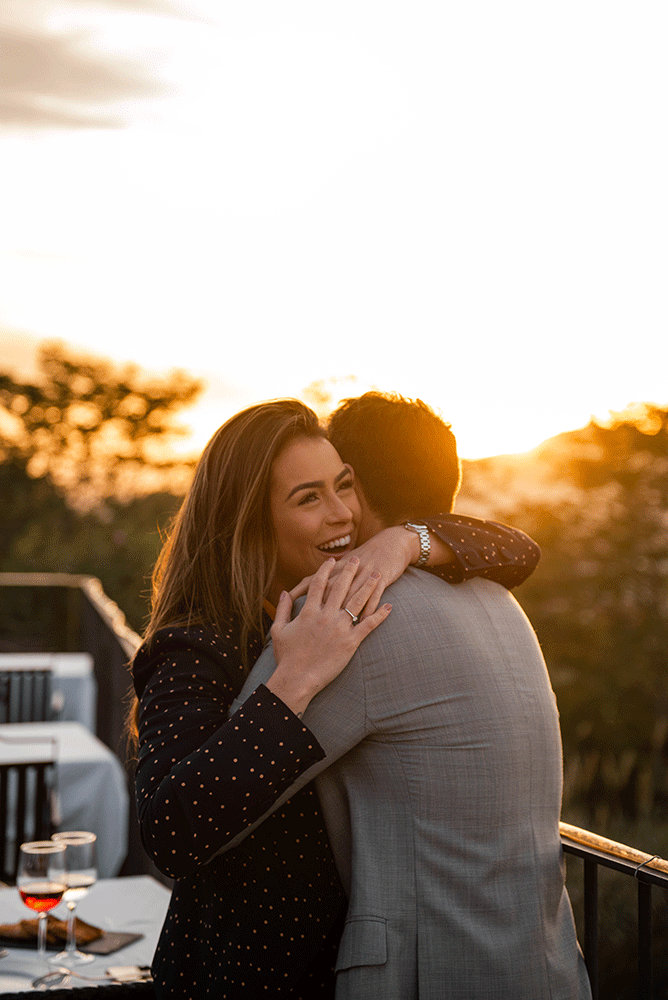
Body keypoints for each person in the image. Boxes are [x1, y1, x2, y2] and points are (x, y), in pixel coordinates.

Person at [130, 397, 542, 999]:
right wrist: (294, 681)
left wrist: (404, 541)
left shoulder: (342, 603)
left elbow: (520, 549)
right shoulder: (197, 643)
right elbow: (169, 831)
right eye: (308, 498)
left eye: (344, 486)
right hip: (241, 978)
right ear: (250, 521)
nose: (343, 513)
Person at [229, 392, 592, 1000]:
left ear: (357, 487)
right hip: (549, 969)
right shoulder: (502, 598)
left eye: (340, 484)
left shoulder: (355, 615)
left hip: (429, 975)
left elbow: (224, 786)